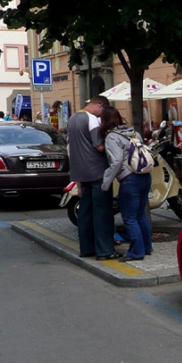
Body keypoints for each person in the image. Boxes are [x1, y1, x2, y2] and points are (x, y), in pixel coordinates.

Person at [67, 95, 118, 260]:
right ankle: (105, 251)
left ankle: (87, 249)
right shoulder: (92, 120)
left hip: (81, 173)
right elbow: (100, 146)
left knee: (85, 213)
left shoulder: (73, 118)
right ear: (101, 105)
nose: (101, 116)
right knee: (102, 213)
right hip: (97, 172)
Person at [100, 105, 152, 262]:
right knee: (140, 214)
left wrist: (105, 183)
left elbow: (116, 162)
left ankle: (137, 252)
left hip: (129, 178)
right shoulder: (133, 132)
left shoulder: (112, 138)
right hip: (144, 176)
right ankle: (147, 247)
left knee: (129, 218)